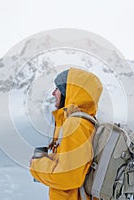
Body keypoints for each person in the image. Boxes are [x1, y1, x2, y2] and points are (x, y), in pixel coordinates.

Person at [30, 67, 103, 200]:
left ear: (68, 92)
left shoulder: (76, 125)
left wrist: (37, 164)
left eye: (57, 88)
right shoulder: (87, 123)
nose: (53, 93)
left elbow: (67, 176)